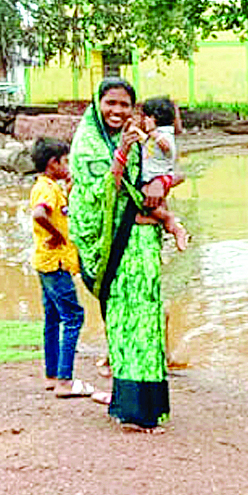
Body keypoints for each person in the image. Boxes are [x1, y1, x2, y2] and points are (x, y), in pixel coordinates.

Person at [69, 80, 172, 431]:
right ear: (98, 103)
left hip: (142, 243)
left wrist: (163, 184)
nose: (117, 111)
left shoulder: (135, 135)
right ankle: (132, 412)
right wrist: (121, 157)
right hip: (115, 246)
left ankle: (149, 407)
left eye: (124, 104)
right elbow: (96, 194)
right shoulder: (87, 145)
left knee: (148, 322)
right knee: (128, 324)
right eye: (110, 103)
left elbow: (164, 170)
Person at [29, 137, 92, 399]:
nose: (68, 165)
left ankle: (52, 374)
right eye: (65, 161)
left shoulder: (49, 186)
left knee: (53, 317)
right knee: (74, 316)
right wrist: (56, 235)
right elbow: (40, 214)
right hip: (55, 264)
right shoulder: (47, 190)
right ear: (53, 163)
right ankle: (65, 380)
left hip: (46, 262)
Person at [135, 96, 190, 251]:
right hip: (155, 177)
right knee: (155, 205)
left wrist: (152, 132)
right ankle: (174, 229)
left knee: (145, 199)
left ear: (152, 118)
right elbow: (151, 147)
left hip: (157, 178)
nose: (141, 119)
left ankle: (167, 218)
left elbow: (166, 147)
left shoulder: (163, 134)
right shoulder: (158, 134)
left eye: (143, 116)